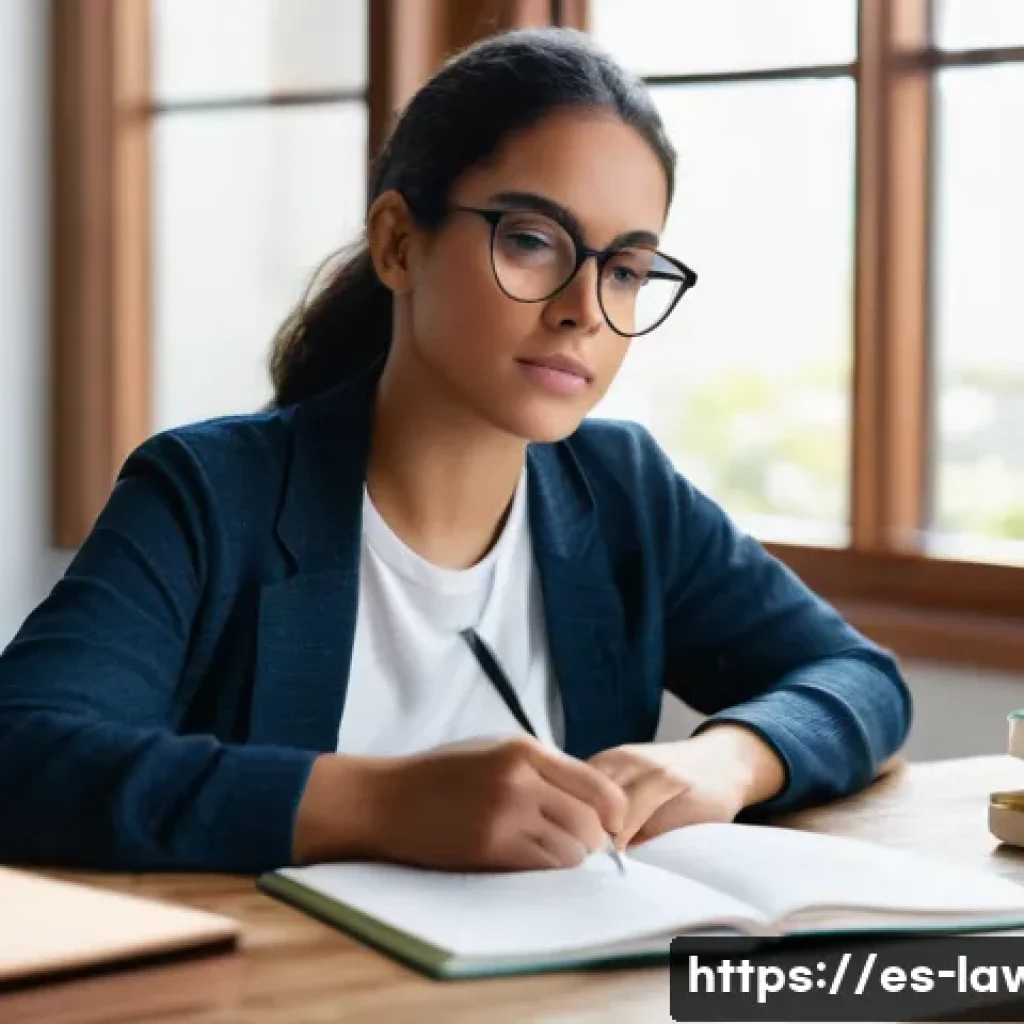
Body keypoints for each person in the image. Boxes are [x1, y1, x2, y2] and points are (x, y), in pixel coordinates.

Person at [0, 27, 910, 874]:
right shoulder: (210, 494)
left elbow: (858, 680)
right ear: (399, 244)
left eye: (626, 269)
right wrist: (378, 804)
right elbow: (23, 751)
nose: (583, 309)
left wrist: (728, 760)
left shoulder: (625, 490)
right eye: (530, 242)